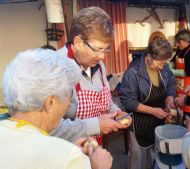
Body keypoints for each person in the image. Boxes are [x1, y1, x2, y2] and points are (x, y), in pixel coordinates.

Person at [0, 49, 112, 169]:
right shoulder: (68, 158)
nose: (69, 104)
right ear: (50, 103)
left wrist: (65, 148)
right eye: (69, 98)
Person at [54, 6, 131, 144]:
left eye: (105, 49)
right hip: (68, 150)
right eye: (97, 49)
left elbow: (106, 103)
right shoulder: (56, 68)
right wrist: (95, 125)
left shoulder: (99, 66)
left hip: (94, 144)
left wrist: (118, 113)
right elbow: (49, 128)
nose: (101, 56)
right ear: (77, 43)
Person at [120, 37, 176, 169]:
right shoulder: (133, 72)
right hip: (139, 121)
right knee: (137, 156)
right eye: (160, 63)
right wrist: (153, 111)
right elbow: (128, 101)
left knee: (154, 153)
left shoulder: (165, 67)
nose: (162, 67)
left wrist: (170, 97)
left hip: (158, 119)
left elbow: (171, 84)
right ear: (149, 56)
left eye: (164, 63)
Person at [169, 29, 190, 118]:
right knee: (179, 111)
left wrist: (173, 71)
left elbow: (189, 72)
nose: (176, 45)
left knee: (188, 114)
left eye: (177, 42)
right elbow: (173, 60)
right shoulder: (180, 50)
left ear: (183, 41)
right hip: (180, 86)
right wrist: (169, 65)